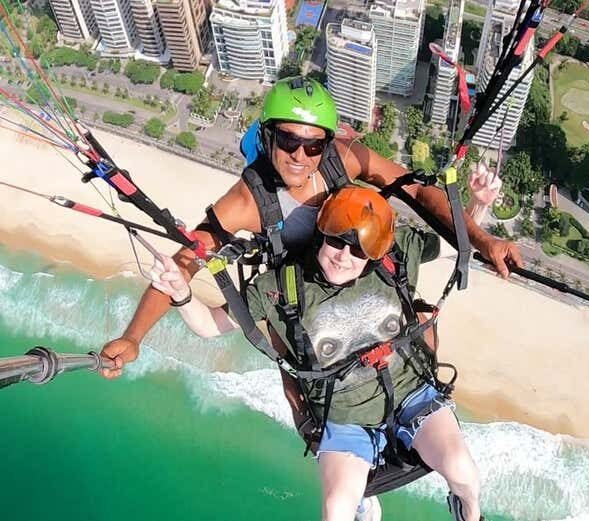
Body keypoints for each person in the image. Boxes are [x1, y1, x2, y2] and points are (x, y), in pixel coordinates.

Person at [99, 75, 521, 378]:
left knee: (423, 318)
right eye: (288, 141)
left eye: (313, 144)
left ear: (326, 143)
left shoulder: (342, 158)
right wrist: (133, 337)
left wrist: (482, 240)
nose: (300, 155)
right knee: (300, 358)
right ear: (267, 138)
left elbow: (415, 190)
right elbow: (183, 263)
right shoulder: (247, 201)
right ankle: (326, 438)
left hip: (352, 264)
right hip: (301, 286)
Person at [147, 186, 483, 521]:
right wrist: (180, 293)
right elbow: (209, 325)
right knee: (337, 510)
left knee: (462, 470)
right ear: (322, 233)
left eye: (357, 251)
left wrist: (477, 204)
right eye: (336, 241)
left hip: (412, 395)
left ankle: (468, 513)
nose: (343, 256)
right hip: (345, 417)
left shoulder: (396, 255)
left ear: (374, 254)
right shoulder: (279, 288)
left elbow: (457, 247)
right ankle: (363, 502)